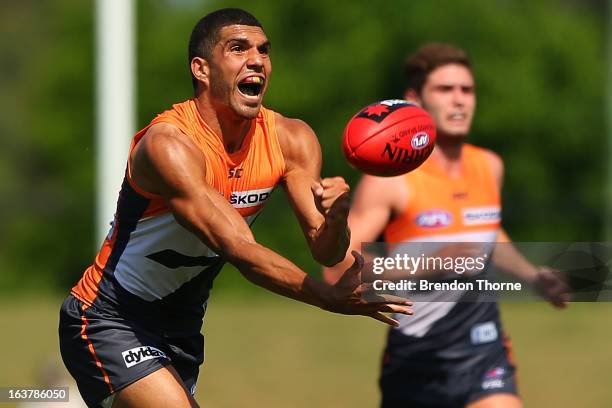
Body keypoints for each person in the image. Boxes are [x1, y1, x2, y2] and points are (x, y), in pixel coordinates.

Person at [58, 8, 412, 408]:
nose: (256, 60)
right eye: (238, 48)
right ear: (202, 69)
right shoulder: (169, 146)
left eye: (263, 50)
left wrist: (337, 218)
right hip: (108, 317)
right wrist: (327, 298)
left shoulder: (291, 139)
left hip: (183, 328)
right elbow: (238, 247)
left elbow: (324, 248)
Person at [324, 43, 568, 408]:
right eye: (445, 89)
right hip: (416, 357)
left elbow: (489, 234)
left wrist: (533, 277)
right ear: (415, 100)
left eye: (467, 90)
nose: (459, 100)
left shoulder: (489, 166)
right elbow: (338, 270)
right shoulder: (390, 181)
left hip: (485, 350)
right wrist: (431, 261)